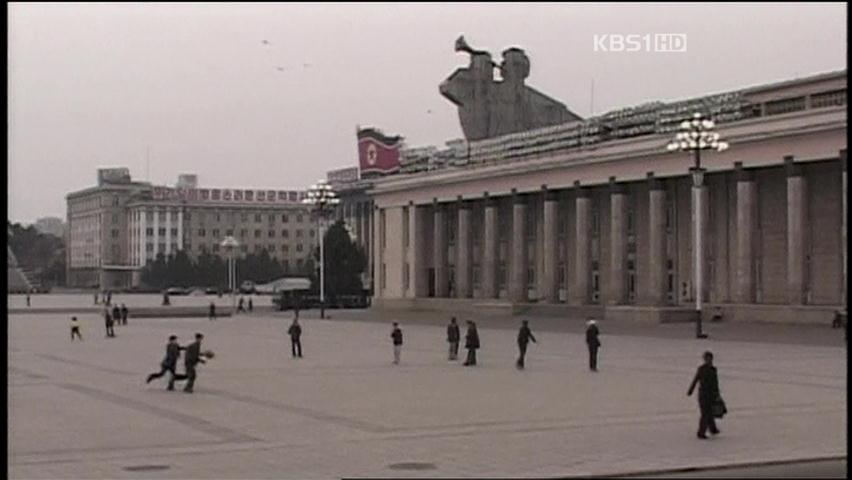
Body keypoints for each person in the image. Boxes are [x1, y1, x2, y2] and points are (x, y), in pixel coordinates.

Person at [687, 351, 721, 439]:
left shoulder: (713, 369)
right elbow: (696, 379)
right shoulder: (701, 369)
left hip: (711, 394)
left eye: (709, 358)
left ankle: (713, 429)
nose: (708, 360)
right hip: (703, 394)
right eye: (707, 358)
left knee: (710, 412)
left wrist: (717, 394)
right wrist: (690, 390)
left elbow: (715, 383)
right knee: (705, 413)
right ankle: (701, 432)